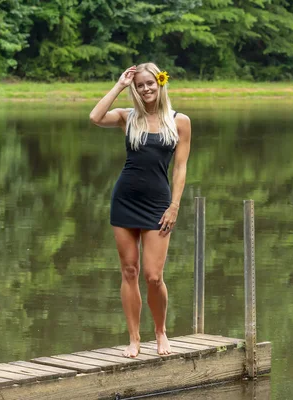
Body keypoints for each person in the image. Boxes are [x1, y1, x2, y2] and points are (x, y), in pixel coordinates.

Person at [89, 63, 191, 357]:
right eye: (140, 85)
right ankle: (134, 338)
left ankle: (160, 332)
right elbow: (95, 117)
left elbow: (181, 167)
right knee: (129, 270)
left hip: (159, 204)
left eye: (150, 83)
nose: (146, 89)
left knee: (153, 276)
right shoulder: (127, 117)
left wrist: (174, 206)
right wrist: (120, 85)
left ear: (160, 84)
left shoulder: (179, 121)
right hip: (125, 200)